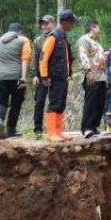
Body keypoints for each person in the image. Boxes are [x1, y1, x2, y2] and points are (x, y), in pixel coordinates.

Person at [0, 22, 32, 139]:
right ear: (20, 31)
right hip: (17, 78)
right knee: (16, 103)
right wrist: (23, 78)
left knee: (1, 102)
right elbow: (25, 59)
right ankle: (11, 129)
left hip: (0, 77)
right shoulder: (23, 40)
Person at [39, 9, 76, 142]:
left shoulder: (63, 36)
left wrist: (69, 73)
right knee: (54, 103)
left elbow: (67, 57)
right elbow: (43, 58)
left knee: (61, 104)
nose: (73, 25)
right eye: (72, 23)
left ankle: (59, 131)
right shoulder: (53, 37)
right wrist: (44, 77)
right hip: (54, 77)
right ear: (65, 22)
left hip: (63, 77)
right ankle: (51, 133)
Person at [78, 20, 107, 138]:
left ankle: (94, 125)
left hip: (101, 77)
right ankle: (86, 127)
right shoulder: (84, 39)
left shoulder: (97, 43)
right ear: (93, 28)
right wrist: (88, 71)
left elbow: (97, 56)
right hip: (91, 76)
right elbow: (83, 55)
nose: (99, 30)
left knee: (100, 102)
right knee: (91, 101)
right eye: (98, 28)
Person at [29, 15, 55, 137]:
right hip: (41, 76)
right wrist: (34, 75)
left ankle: (53, 129)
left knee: (55, 102)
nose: (44, 26)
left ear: (53, 23)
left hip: (55, 76)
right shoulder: (37, 40)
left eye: (47, 23)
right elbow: (34, 58)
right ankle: (38, 129)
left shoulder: (59, 37)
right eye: (43, 24)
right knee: (39, 102)